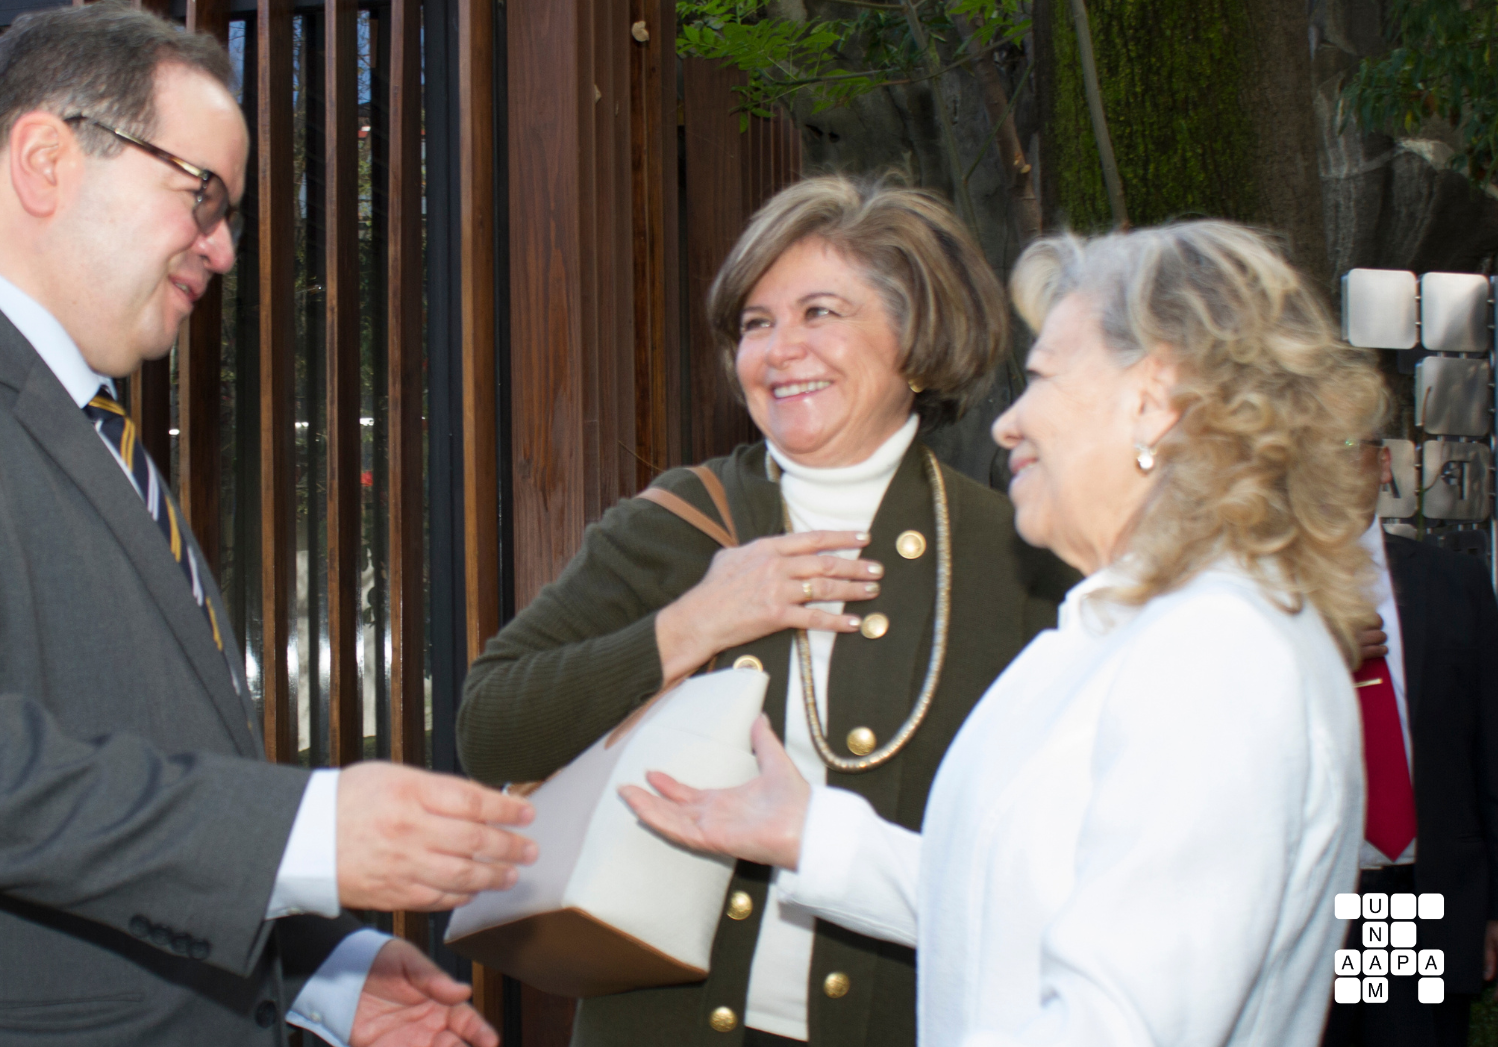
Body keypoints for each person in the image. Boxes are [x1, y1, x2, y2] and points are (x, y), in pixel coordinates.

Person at [0, 3, 535, 1047]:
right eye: (203, 196)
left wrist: (321, 968)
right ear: (46, 160)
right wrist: (300, 833)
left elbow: (121, 761)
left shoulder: (85, 426)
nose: (222, 249)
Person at [623, 220, 1384, 1047]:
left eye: (1044, 377)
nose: (1007, 425)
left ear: (1155, 402)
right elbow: (1009, 918)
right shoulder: (1124, 633)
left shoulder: (1217, 654)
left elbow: (1119, 1027)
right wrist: (811, 835)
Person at [456, 175, 1079, 1047]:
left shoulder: (1019, 555)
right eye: (756, 323)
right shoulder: (675, 522)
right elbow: (488, 727)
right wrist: (695, 623)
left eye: (820, 312)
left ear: (916, 336)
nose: (780, 350)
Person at [1321, 442, 1498, 1047]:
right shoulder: (1258, 594)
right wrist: (1317, 653)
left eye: (1349, 445)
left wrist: (1493, 905)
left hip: (1423, 893)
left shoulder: (1455, 583)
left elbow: (1489, 749)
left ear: (1382, 464)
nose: (1332, 463)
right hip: (1315, 900)